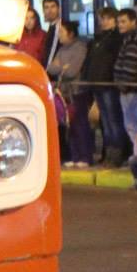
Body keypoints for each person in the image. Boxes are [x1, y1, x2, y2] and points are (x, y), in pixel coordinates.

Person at [83, 6, 126, 166]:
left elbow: (112, 62)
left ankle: (117, 153)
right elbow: (90, 61)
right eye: (102, 18)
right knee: (105, 121)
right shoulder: (97, 39)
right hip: (97, 84)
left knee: (113, 120)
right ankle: (108, 152)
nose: (104, 22)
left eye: (108, 18)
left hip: (109, 84)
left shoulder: (116, 39)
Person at [46, 18, 90, 165]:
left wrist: (61, 67)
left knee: (79, 124)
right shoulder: (62, 49)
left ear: (70, 34)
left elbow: (72, 71)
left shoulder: (80, 47)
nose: (59, 35)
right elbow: (51, 67)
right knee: (68, 125)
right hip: (63, 93)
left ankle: (84, 156)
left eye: (62, 32)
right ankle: (73, 155)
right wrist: (61, 67)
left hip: (77, 91)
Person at [112, 7, 137, 149]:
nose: (120, 25)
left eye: (123, 21)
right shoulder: (127, 39)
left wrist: (124, 84)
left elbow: (132, 64)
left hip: (135, 90)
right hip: (126, 89)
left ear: (133, 22)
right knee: (130, 126)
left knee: (136, 125)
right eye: (118, 22)